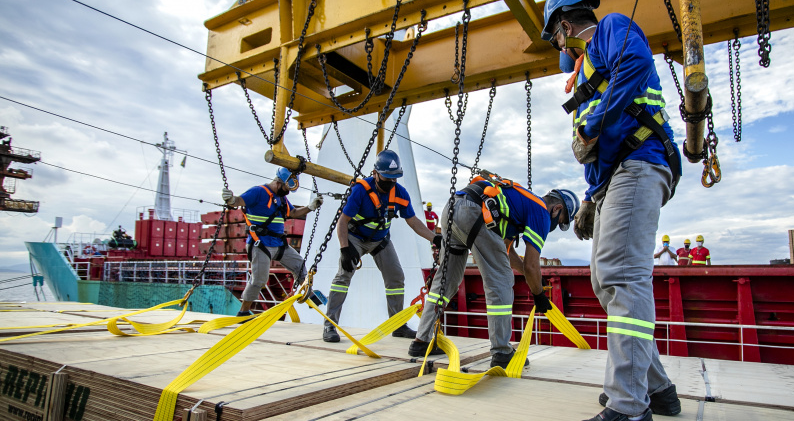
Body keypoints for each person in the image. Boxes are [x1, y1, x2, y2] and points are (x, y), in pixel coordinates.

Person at [541, 0, 682, 421]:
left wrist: (597, 122)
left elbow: (636, 66)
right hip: (616, 176)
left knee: (621, 277)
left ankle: (628, 411)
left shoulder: (610, 30)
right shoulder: (588, 70)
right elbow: (599, 149)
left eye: (555, 36)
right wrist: (588, 198)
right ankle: (656, 388)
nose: (558, 46)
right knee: (606, 280)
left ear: (564, 26)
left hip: (640, 163)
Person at [410, 172, 580, 368]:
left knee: (446, 281)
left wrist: (529, 276)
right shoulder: (541, 211)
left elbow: (506, 252)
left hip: (452, 208)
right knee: (501, 281)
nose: (557, 225)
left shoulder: (519, 204)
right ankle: (501, 352)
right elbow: (532, 264)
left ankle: (421, 340)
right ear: (557, 208)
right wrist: (539, 294)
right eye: (561, 221)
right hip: (473, 212)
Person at [324, 150, 436, 342]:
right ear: (375, 173)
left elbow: (413, 221)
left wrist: (435, 239)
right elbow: (343, 221)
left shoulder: (400, 193)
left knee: (396, 277)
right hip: (355, 238)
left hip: (380, 240)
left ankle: (397, 325)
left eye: (394, 177)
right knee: (343, 276)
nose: (391, 181)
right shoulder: (360, 190)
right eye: (387, 177)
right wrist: (345, 249)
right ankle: (329, 325)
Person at [222, 167, 323, 316]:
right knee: (259, 279)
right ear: (278, 182)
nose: (287, 193)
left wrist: (310, 207)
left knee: (299, 265)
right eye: (286, 189)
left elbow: (293, 212)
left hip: (279, 244)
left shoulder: (281, 198)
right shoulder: (258, 192)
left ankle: (309, 294)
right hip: (260, 244)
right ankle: (243, 312)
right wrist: (231, 199)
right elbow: (238, 201)